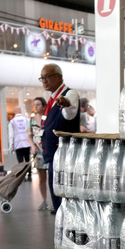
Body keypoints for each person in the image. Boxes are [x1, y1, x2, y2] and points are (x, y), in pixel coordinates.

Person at [39, 62, 80, 215]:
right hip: (53, 157)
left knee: (64, 198)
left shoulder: (70, 94)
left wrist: (65, 102)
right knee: (56, 196)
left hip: (64, 158)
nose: (44, 81)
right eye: (41, 78)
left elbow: (70, 107)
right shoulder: (51, 99)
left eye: (47, 77)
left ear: (59, 77)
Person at [30, 96, 50, 211]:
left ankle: (53, 200)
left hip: (48, 151)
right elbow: (29, 135)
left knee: (52, 177)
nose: (35, 107)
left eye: (38, 104)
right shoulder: (31, 120)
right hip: (38, 153)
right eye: (34, 104)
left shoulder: (47, 119)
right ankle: (44, 200)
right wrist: (32, 146)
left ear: (43, 106)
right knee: (42, 178)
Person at [7, 109, 31, 177]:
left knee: (20, 162)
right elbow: (30, 131)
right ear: (20, 111)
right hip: (27, 143)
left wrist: (11, 146)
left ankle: (21, 176)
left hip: (18, 144)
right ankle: (29, 175)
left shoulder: (12, 121)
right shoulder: (27, 120)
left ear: (15, 112)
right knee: (27, 160)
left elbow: (11, 135)